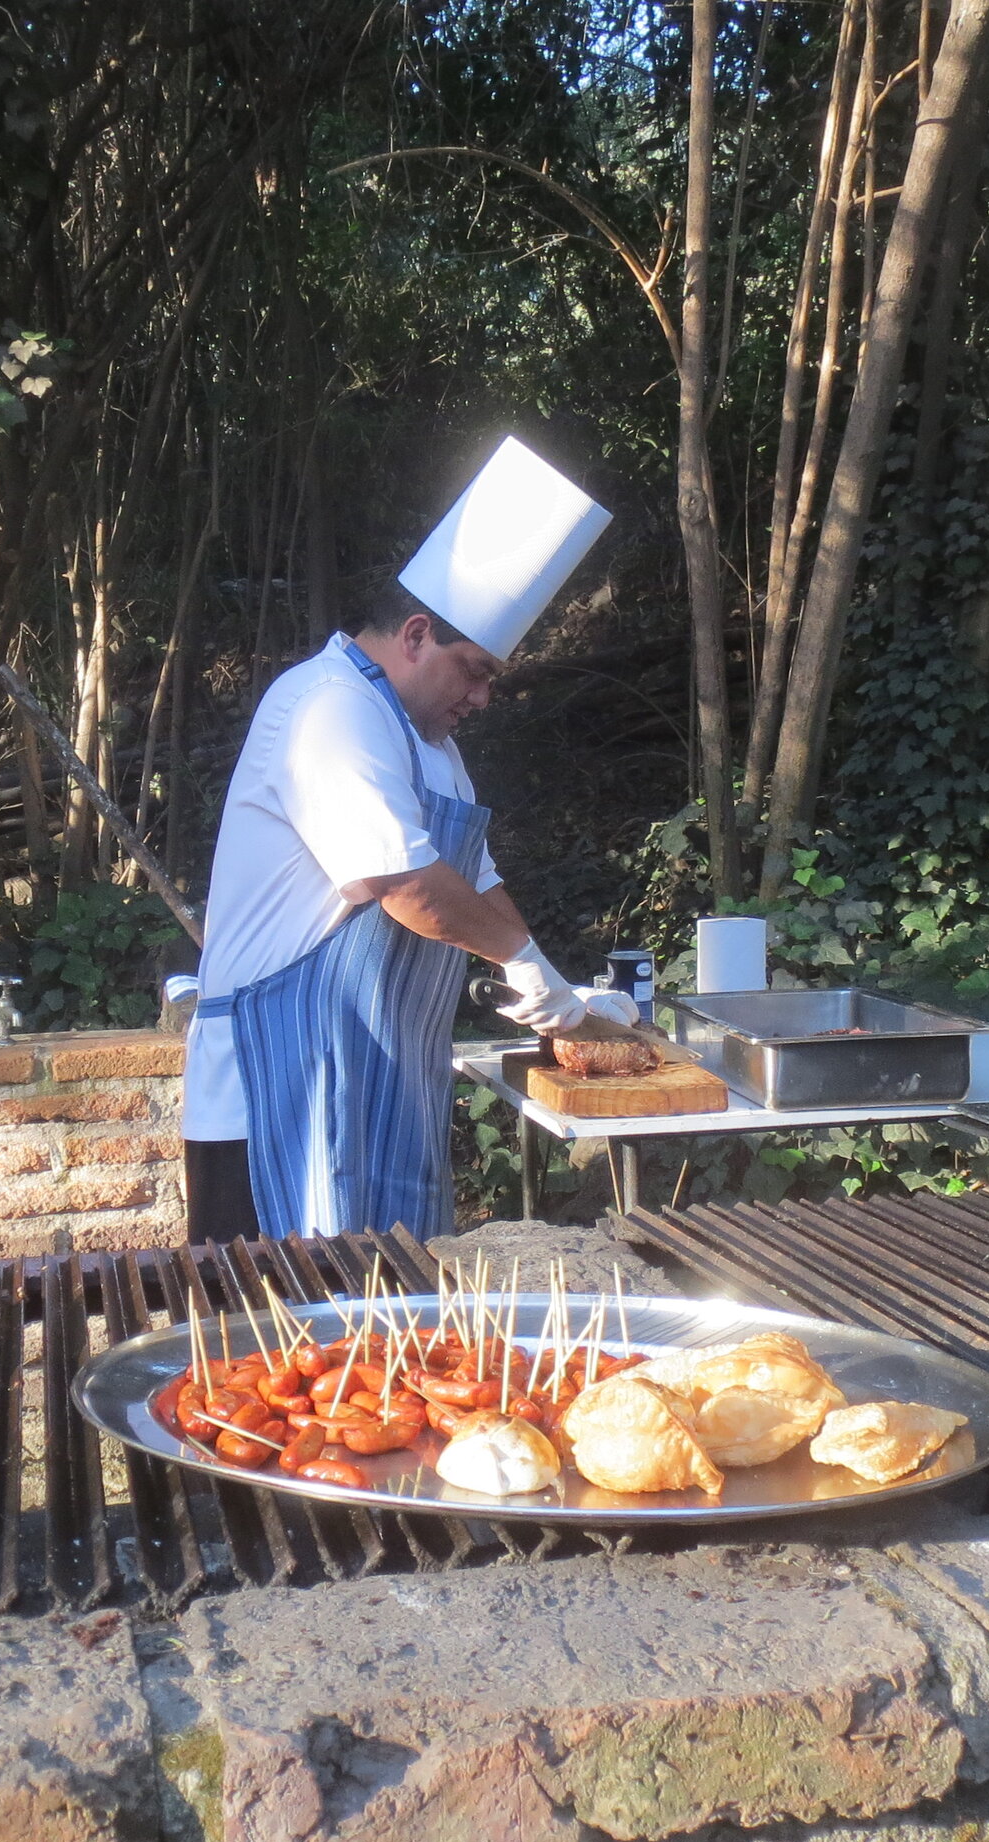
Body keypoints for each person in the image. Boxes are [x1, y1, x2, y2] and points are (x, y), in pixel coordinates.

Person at [181, 436, 633, 1242]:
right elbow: (409, 884)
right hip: (275, 1094)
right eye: (476, 669)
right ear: (416, 632)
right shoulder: (327, 708)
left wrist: (556, 987)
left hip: (387, 1093)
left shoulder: (436, 751)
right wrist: (522, 964)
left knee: (395, 1340)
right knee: (273, 1351)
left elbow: (476, 882)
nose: (485, 696)